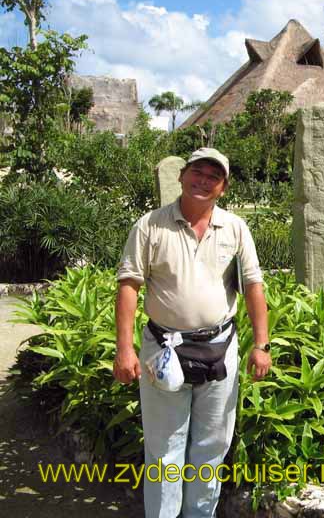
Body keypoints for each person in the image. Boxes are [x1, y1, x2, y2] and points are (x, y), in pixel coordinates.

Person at [113, 148, 271, 518]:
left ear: (223, 187)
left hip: (220, 348)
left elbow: (253, 286)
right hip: (163, 349)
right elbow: (128, 286)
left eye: (212, 177)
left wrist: (262, 344)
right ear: (182, 176)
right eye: (196, 172)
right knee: (164, 449)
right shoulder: (150, 225)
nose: (203, 180)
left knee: (211, 447)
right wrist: (124, 349)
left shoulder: (235, 228)